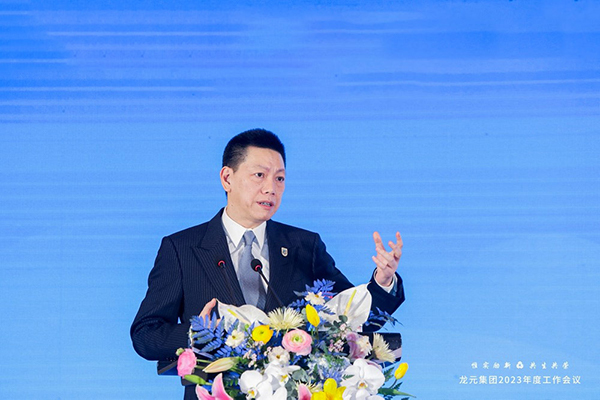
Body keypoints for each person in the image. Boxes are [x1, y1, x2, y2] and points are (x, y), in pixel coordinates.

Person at [130, 129, 405, 399]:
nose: (270, 188)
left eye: (280, 178)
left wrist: (383, 282)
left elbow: (351, 320)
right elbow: (145, 334)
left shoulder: (304, 246)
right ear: (227, 178)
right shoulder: (183, 248)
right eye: (259, 175)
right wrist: (198, 333)